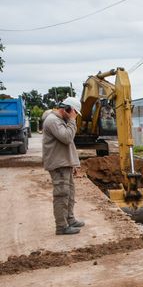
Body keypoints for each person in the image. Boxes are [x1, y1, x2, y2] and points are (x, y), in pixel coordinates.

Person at [42, 97, 85, 235]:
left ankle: (70, 219)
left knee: (70, 193)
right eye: (74, 112)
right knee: (61, 195)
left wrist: (74, 163)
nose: (75, 115)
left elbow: (69, 142)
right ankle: (61, 226)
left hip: (65, 163)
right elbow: (67, 138)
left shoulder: (62, 121)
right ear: (67, 109)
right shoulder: (53, 121)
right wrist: (72, 120)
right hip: (58, 164)